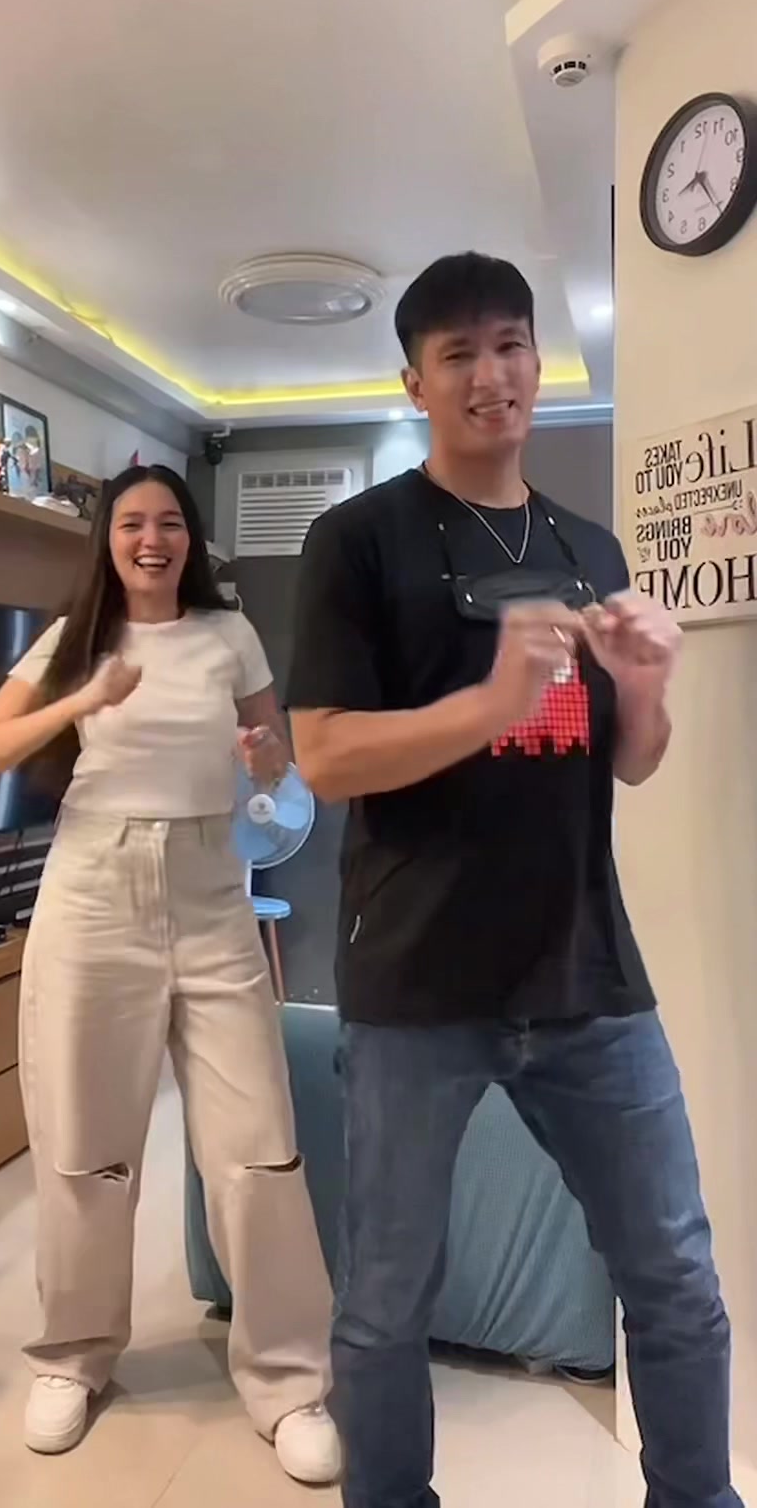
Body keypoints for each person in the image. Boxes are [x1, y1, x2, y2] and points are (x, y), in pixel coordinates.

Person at [286, 253, 742, 1508]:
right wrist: (491, 701)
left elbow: (631, 761)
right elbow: (324, 754)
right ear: (416, 383)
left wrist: (647, 685)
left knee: (675, 1276)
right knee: (386, 1300)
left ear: (541, 361)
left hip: (589, 972)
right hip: (416, 982)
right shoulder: (356, 540)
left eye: (510, 346)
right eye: (459, 355)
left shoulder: (589, 545)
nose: (491, 375)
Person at [0, 463, 340, 1485]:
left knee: (258, 1145)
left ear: (191, 540)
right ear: (109, 539)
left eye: (170, 522)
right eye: (132, 522)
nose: (152, 539)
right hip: (95, 890)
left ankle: (288, 1380)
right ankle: (74, 1357)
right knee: (85, 1141)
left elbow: (276, 762)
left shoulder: (230, 634)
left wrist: (263, 761)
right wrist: (85, 697)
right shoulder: (73, 640)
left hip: (213, 887)